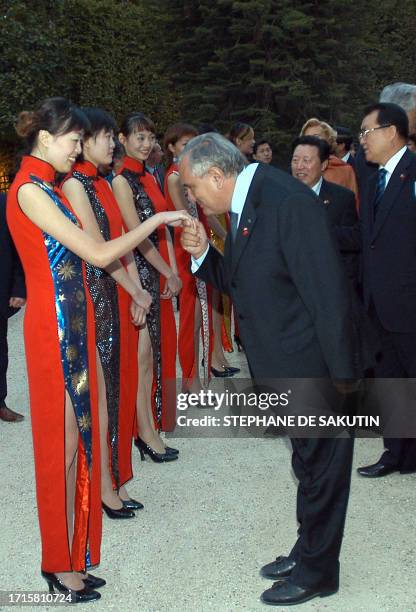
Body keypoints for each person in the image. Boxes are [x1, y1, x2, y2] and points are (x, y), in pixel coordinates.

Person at [6, 97, 189, 601]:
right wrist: (159, 220)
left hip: (76, 323)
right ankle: (56, 563)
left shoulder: (45, 184)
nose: (78, 149)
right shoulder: (29, 191)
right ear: (46, 138)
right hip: (53, 331)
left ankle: (71, 555)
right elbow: (100, 252)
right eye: (73, 141)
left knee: (76, 447)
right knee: (60, 450)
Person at [179, 133, 357, 606]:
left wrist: (343, 377)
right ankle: (308, 550)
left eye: (193, 188)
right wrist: (202, 255)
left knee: (323, 469)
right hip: (284, 363)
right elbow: (243, 281)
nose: (192, 197)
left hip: (312, 364)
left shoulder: (284, 201)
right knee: (307, 464)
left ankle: (320, 573)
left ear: (217, 175)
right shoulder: (247, 201)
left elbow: (328, 291)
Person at [62, 107, 151, 519]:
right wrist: (136, 290)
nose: (111, 143)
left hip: (113, 295)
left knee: (114, 393)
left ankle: (111, 481)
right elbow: (100, 253)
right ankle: (102, 488)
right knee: (101, 400)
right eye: (103, 137)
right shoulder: (76, 186)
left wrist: (136, 291)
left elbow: (121, 246)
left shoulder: (98, 184)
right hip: (96, 299)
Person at [338, 102, 416, 477]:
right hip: (378, 304)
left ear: (390, 131)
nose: (362, 140)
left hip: (409, 302)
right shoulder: (373, 180)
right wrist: (317, 234)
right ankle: (396, 453)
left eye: (367, 132)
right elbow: (364, 237)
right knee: (390, 383)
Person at [113, 112, 181, 461]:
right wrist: (167, 271)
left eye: (150, 136)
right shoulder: (121, 180)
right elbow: (136, 238)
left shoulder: (149, 176)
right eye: (138, 137)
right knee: (140, 358)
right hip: (135, 273)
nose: (146, 143)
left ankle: (148, 426)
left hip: (153, 271)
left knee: (152, 355)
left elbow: (162, 228)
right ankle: (145, 433)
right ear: (121, 140)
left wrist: (167, 269)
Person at [163, 122, 214, 391]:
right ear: (171, 147)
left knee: (196, 319)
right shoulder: (174, 177)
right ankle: (189, 381)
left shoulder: (188, 172)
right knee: (189, 319)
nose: (190, 149)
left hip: (197, 243)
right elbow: (185, 216)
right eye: (185, 144)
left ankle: (195, 375)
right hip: (185, 248)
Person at [0, 191, 26, 422]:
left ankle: (0, 402)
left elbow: (17, 245)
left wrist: (19, 287)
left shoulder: (3, 202)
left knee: (0, 350)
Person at [301, 118, 359, 206]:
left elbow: (354, 207)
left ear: (329, 140)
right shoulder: (296, 170)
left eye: (316, 136)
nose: (311, 141)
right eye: (307, 138)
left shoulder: (345, 171)